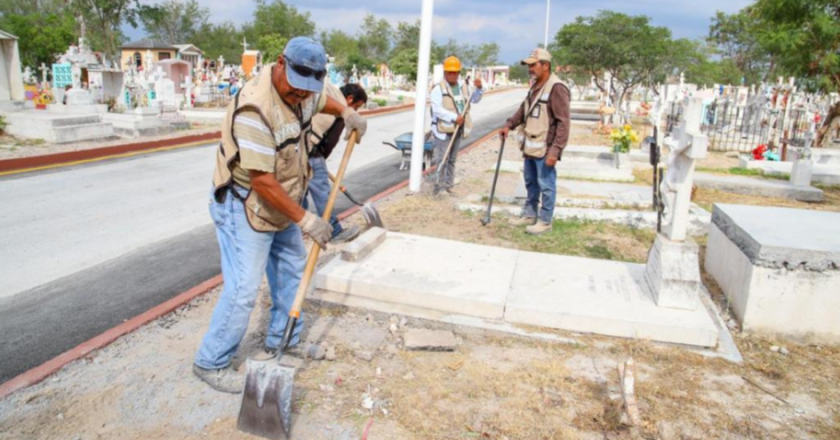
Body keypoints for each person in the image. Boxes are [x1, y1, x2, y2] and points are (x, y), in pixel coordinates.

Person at [193, 37, 368, 394]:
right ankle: (210, 361)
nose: (300, 97)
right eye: (295, 90)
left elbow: (322, 100)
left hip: (284, 199)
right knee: (244, 287)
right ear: (279, 64)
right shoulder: (255, 108)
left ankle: (283, 341)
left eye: (307, 91)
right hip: (246, 203)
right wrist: (307, 219)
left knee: (291, 270)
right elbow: (262, 181)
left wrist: (346, 113)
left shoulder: (306, 91)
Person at [499, 48, 571, 235]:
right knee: (530, 181)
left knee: (546, 184)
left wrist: (556, 150)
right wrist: (509, 124)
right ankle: (530, 214)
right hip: (531, 145)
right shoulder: (535, 86)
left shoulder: (557, 88)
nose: (530, 69)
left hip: (546, 148)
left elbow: (564, 123)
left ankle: (545, 221)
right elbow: (523, 110)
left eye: (533, 65)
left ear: (545, 65)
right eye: (528, 65)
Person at [305, 83, 368, 243]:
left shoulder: (330, 93)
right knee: (323, 193)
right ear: (350, 98)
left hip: (298, 150)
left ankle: (297, 228)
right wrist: (319, 162)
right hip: (312, 152)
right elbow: (329, 143)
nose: (356, 111)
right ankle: (334, 231)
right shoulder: (339, 111)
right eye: (357, 107)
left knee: (299, 194)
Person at [429, 56, 483, 196]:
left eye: (455, 72)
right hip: (443, 129)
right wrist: (454, 117)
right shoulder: (438, 89)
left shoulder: (463, 86)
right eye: (449, 72)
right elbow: (437, 110)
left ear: (459, 73)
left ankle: (449, 185)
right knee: (442, 159)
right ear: (445, 73)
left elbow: (474, 99)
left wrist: (479, 89)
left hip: (458, 129)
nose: (452, 75)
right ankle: (438, 187)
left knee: (452, 159)